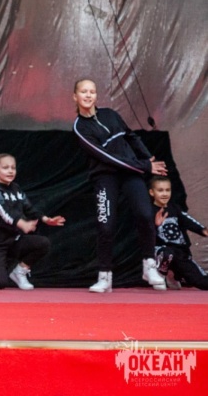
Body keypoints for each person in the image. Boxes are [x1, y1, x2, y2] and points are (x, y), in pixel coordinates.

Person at [72, 78, 168, 292]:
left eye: (92, 92)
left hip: (130, 172)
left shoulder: (110, 114)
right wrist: (144, 166)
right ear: (75, 97)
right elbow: (107, 157)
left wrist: (147, 157)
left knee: (145, 214)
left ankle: (149, 266)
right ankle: (105, 276)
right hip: (105, 177)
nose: (88, 95)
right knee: (106, 225)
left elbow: (131, 136)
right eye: (84, 92)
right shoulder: (80, 128)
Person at [0, 153, 65, 290]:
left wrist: (46, 219)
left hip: (14, 241)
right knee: (0, 283)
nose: (10, 171)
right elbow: (4, 212)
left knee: (43, 243)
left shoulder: (16, 188)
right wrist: (22, 224)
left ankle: (19, 271)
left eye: (13, 168)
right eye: (5, 168)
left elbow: (28, 208)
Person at [150, 176, 208, 290]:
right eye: (160, 190)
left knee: (203, 282)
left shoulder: (175, 208)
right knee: (167, 253)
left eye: (167, 190)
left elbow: (189, 221)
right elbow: (142, 233)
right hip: (160, 251)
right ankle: (161, 275)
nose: (165, 194)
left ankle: (173, 275)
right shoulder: (148, 210)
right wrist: (155, 225)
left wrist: (203, 230)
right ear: (152, 192)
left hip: (180, 253)